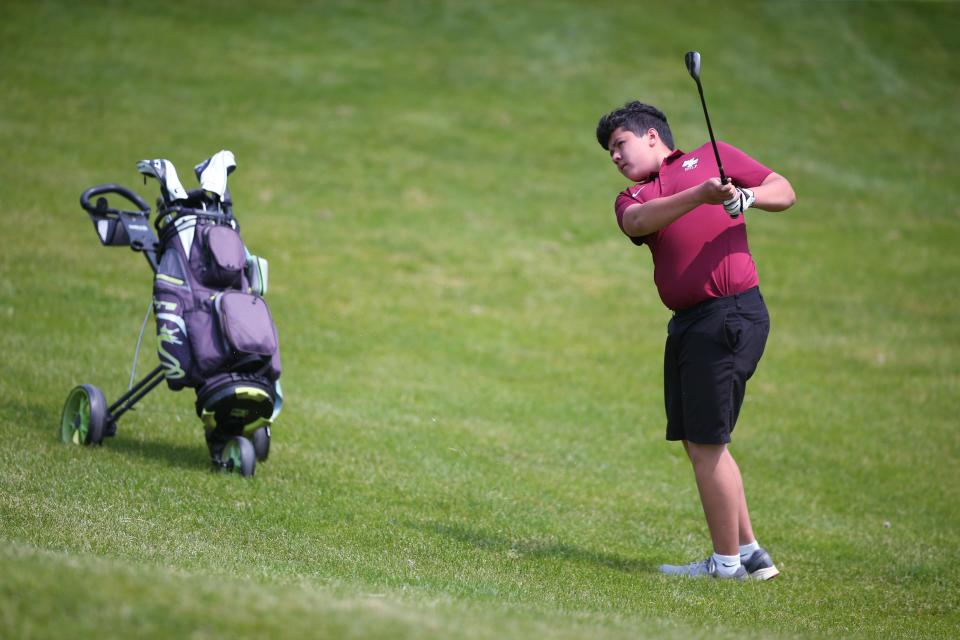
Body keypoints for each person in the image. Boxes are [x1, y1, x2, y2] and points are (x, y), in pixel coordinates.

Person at [595, 101, 796, 580]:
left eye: (619, 144)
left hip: (728, 313)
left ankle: (726, 565)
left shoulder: (713, 155)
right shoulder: (633, 197)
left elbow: (783, 191)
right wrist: (702, 195)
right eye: (609, 153)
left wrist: (747, 199)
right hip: (688, 325)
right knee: (699, 441)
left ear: (650, 136)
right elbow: (638, 223)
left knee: (707, 444)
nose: (616, 158)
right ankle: (749, 554)